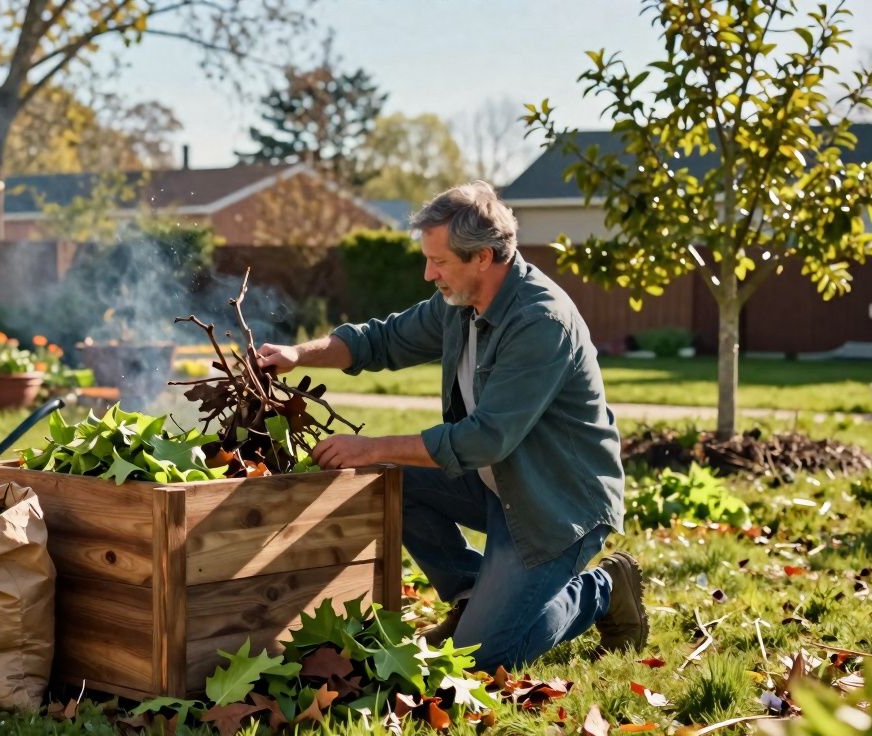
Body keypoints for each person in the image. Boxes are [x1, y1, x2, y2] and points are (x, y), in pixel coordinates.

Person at [256, 181, 646, 670]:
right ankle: (469, 596)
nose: (427, 273)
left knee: (483, 659)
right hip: (496, 485)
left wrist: (368, 444)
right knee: (388, 478)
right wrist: (297, 354)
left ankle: (603, 589)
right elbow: (379, 341)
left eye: (438, 262)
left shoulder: (540, 323)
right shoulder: (459, 304)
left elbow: (485, 438)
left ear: (483, 257)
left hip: (555, 505)